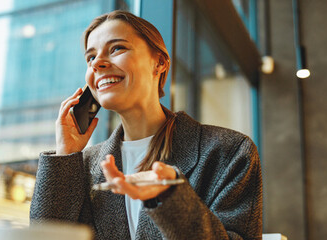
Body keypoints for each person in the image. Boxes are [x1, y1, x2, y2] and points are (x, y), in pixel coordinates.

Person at [29, 10, 262, 240]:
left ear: (159, 62)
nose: (97, 63)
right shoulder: (82, 165)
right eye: (90, 57)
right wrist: (65, 155)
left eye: (117, 48)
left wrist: (172, 201)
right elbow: (45, 237)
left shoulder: (229, 152)